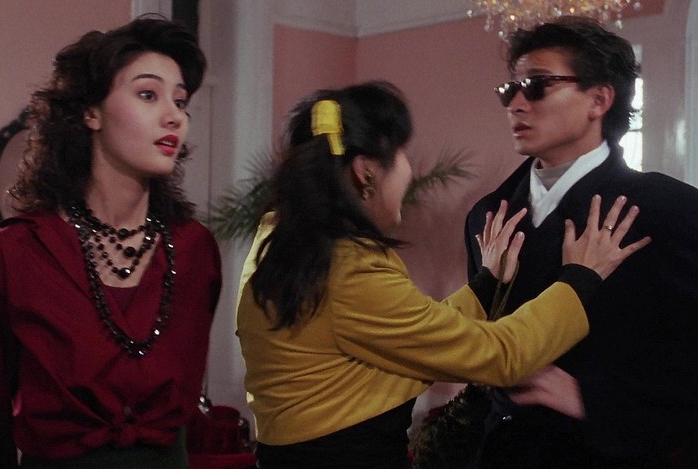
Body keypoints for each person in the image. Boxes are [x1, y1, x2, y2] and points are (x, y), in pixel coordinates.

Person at [235, 81, 649, 469]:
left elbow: (414, 338)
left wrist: (486, 285)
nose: (409, 172)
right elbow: (501, 356)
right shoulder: (349, 269)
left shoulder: (282, 239)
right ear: (366, 171)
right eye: (402, 154)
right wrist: (579, 278)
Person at [0, 16, 221, 468]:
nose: (174, 116)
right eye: (148, 95)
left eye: (180, 100)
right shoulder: (1, 262)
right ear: (90, 112)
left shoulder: (196, 251)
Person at [465, 16, 698, 468]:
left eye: (537, 86)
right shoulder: (488, 213)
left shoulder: (668, 209)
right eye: (509, 90)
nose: (516, 104)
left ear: (599, 99)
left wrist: (594, 397)